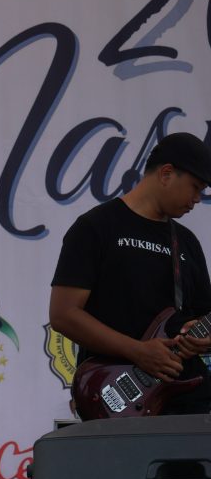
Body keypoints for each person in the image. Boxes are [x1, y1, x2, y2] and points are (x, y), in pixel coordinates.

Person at [50, 132, 211, 415]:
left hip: (186, 401)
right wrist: (137, 351)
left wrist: (203, 339)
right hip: (118, 396)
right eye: (195, 187)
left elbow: (203, 315)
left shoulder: (187, 242)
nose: (197, 199)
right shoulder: (95, 227)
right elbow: (64, 315)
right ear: (166, 173)